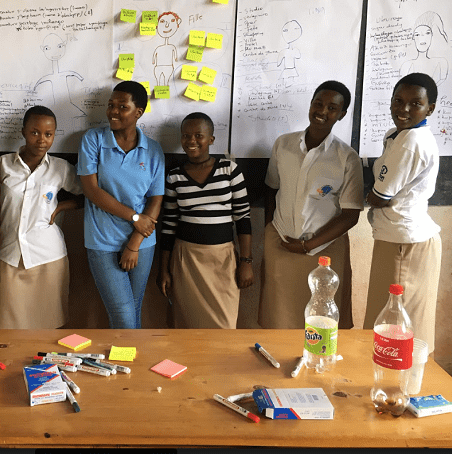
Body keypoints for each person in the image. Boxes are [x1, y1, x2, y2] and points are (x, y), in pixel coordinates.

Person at [258, 80, 362, 329]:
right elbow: (271, 189)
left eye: (332, 108)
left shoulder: (347, 158)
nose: (323, 111)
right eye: (318, 103)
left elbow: (350, 215)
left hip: (324, 253)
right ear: (311, 103)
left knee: (321, 319)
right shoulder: (283, 144)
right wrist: (270, 231)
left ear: (342, 114)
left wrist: (309, 245)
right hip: (282, 244)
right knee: (279, 317)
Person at [0, 105, 83, 329]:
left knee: (52, 326)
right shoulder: (2, 165)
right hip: (9, 257)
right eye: (35, 132)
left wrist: (62, 206)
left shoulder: (60, 168)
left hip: (49, 258)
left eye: (48, 134)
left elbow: (90, 195)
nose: (42, 140)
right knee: (12, 327)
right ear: (24, 131)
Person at [363, 73, 441, 354]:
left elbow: (380, 197)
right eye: (398, 101)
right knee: (386, 323)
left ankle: (400, 389)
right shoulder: (397, 135)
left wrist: (366, 195)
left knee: (397, 329)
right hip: (397, 237)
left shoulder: (412, 142)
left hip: (405, 243)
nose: (403, 109)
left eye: (415, 104)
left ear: (429, 109)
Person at [77, 80, 165, 329]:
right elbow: (92, 191)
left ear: (138, 112)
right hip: (102, 240)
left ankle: (128, 365)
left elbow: (155, 198)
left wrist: (135, 243)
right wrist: (134, 218)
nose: (113, 111)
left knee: (133, 309)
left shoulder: (153, 150)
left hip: (142, 242)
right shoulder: (93, 140)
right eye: (111, 105)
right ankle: (127, 364)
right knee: (123, 313)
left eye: (122, 106)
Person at [158, 112, 253, 328]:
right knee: (187, 326)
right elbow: (169, 224)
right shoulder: (175, 176)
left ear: (211, 139)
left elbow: (243, 218)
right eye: (186, 136)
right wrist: (163, 269)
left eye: (198, 135)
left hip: (223, 260)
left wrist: (246, 262)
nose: (191, 141)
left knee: (225, 325)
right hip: (187, 261)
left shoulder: (230, 170)